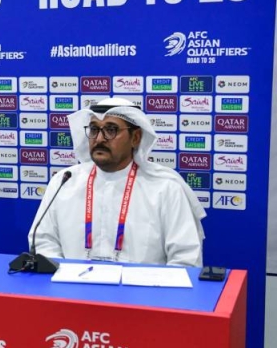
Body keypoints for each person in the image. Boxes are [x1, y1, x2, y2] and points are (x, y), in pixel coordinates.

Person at [28, 97, 205, 266]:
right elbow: (44, 241)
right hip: (72, 285)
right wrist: (64, 276)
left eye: (111, 130)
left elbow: (186, 257)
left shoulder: (165, 188)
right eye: (94, 130)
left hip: (143, 287)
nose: (99, 139)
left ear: (135, 138)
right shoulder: (65, 181)